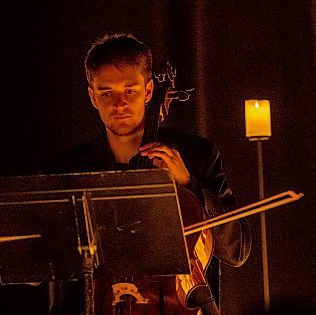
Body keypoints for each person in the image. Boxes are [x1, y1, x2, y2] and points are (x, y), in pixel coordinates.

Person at [41, 33, 251, 315]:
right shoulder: (67, 170)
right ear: (92, 96)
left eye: (130, 90)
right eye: (106, 93)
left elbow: (236, 251)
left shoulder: (196, 155)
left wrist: (189, 185)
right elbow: (38, 266)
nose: (119, 103)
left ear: (149, 91)